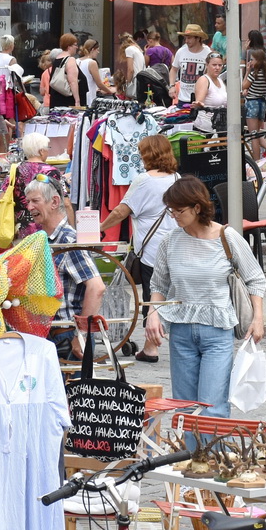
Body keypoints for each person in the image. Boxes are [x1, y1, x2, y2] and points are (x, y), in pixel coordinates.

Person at [144, 175, 266, 417]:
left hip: (217, 333)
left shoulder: (226, 237)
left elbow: (256, 279)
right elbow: (158, 284)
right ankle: (188, 455)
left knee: (214, 407)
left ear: (197, 207)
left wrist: (258, 318)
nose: (174, 215)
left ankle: (212, 456)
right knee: (185, 407)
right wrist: (152, 314)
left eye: (179, 210)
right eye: (171, 210)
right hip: (180, 332)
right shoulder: (169, 241)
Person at [101, 134, 180, 361]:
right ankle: (158, 343)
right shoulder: (176, 177)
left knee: (151, 296)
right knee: (169, 295)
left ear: (148, 154)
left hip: (152, 251)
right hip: (174, 246)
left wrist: (101, 228)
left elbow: (121, 211)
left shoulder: (144, 180)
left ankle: (151, 348)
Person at [25, 178, 106, 361]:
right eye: (28, 201)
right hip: (52, 335)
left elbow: (97, 287)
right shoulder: (46, 239)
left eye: (35, 201)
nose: (30, 207)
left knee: (71, 389)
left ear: (54, 202)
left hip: (67, 336)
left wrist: (82, 334)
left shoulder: (68, 241)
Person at [12, 132, 72, 236]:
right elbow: (66, 203)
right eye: (47, 148)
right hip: (46, 228)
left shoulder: (15, 170)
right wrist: (72, 228)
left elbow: (3, 197)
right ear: (41, 151)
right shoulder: (51, 171)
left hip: (21, 229)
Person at [170, 24, 213, 103]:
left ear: (198, 38)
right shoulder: (181, 51)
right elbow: (173, 69)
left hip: (201, 99)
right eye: (185, 38)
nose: (186, 41)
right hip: (182, 99)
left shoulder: (208, 53)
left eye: (189, 38)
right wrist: (172, 86)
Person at [243, 46, 266, 157]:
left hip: (252, 103)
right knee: (258, 132)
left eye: (252, 59)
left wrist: (246, 72)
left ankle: (256, 160)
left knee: (253, 135)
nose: (251, 61)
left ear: (258, 60)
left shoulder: (254, 74)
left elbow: (244, 85)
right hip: (262, 103)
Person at [193, 51, 229, 131]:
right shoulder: (204, 80)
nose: (217, 68)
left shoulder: (220, 80)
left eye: (220, 65)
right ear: (207, 65)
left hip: (221, 126)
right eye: (214, 65)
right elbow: (199, 101)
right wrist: (198, 103)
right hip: (205, 127)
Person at [48, 34, 82, 108]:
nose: (77, 47)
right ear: (69, 46)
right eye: (75, 45)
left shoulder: (57, 59)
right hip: (68, 101)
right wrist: (77, 101)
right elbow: (73, 81)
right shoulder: (70, 60)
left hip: (56, 99)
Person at [77, 36, 111, 104]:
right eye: (97, 50)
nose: (98, 52)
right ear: (92, 49)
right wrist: (110, 91)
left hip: (79, 95)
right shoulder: (92, 63)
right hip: (89, 96)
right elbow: (99, 83)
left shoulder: (76, 61)